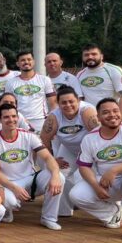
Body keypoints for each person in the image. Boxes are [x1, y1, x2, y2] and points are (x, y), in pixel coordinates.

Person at [70, 98, 122, 241]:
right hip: (107, 184)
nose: (112, 115)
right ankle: (113, 213)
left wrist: (114, 170)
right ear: (98, 117)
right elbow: (84, 167)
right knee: (77, 194)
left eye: (115, 111)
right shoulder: (90, 138)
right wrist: (95, 187)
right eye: (106, 112)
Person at [0, 103, 64, 230]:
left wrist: (55, 175)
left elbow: (48, 157)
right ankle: (6, 211)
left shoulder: (29, 136)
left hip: (30, 178)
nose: (11, 120)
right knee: (10, 202)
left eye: (14, 116)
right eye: (6, 117)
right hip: (8, 183)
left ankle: (48, 218)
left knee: (59, 177)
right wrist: (14, 188)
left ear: (18, 117)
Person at [39, 86, 99, 217]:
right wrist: (52, 159)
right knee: (59, 173)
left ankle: (116, 207)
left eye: (71, 101)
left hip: (91, 150)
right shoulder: (54, 116)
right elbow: (44, 139)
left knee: (100, 175)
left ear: (78, 100)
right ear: (58, 104)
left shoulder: (87, 111)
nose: (68, 105)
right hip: (69, 148)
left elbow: (100, 136)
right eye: (63, 102)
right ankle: (64, 210)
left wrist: (94, 158)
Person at [4, 51, 56, 132]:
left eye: (29, 59)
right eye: (23, 60)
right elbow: (8, 105)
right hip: (19, 121)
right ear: (18, 64)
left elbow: (53, 104)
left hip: (40, 121)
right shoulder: (10, 83)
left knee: (42, 145)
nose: (26, 62)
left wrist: (52, 121)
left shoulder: (45, 80)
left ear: (34, 61)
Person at [76, 44, 122, 119]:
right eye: (86, 55)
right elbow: (79, 99)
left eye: (94, 54)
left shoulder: (114, 70)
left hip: (110, 117)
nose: (90, 57)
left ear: (101, 56)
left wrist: (120, 120)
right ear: (82, 58)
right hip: (89, 118)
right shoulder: (79, 75)